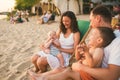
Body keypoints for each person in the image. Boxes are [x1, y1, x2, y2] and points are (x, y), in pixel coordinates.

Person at [29, 5, 120, 80]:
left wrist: (81, 67)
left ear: (98, 19)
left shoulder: (117, 41)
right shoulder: (98, 38)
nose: (90, 24)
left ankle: (44, 78)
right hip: (85, 68)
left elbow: (112, 75)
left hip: (92, 74)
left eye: (91, 20)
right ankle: (41, 76)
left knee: (67, 72)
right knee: (62, 69)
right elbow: (80, 56)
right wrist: (82, 52)